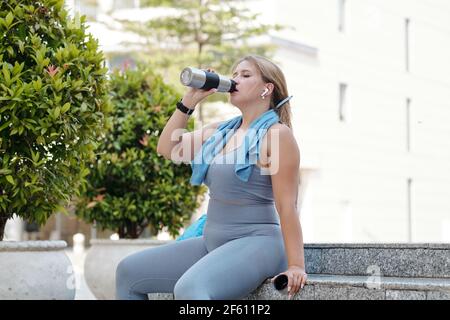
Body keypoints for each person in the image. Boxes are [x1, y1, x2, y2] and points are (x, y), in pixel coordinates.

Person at [115, 54, 307, 300]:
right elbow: (167, 148)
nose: (235, 79)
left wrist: (296, 265)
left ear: (266, 89)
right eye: (234, 74)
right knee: (128, 272)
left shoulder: (277, 135)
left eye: (245, 75)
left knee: (191, 289)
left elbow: (286, 205)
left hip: (259, 243)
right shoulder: (221, 131)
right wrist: (189, 100)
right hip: (212, 241)